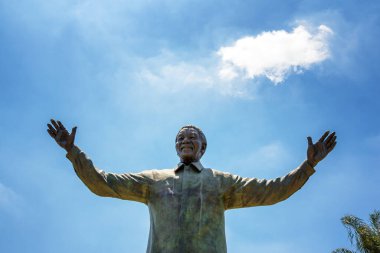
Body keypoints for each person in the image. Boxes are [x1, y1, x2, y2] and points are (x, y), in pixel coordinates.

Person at [47, 119, 337, 253]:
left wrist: (307, 166)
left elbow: (272, 190)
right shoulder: (153, 180)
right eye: (180, 138)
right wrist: (74, 153)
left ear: (203, 147)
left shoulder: (221, 182)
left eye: (192, 137)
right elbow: (103, 184)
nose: (185, 140)